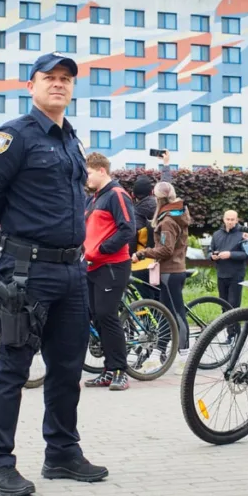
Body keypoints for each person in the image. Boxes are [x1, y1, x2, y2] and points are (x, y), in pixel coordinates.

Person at [0, 51, 107, 496]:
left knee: (67, 368)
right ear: (30, 85)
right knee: (12, 368)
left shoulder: (71, 140)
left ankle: (62, 453)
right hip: (26, 272)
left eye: (66, 78)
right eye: (49, 77)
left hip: (71, 271)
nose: (58, 84)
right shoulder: (14, 136)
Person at [83, 152, 136, 391]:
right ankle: (108, 369)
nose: (86, 177)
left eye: (89, 173)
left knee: (107, 315)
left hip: (113, 265)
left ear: (101, 170)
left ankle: (120, 371)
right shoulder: (94, 198)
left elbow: (128, 230)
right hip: (92, 266)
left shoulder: (116, 194)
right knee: (97, 317)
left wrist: (102, 249)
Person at [133, 181, 191, 364]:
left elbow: (166, 250)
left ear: (157, 198)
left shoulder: (167, 221)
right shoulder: (174, 213)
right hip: (170, 271)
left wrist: (143, 253)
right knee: (166, 313)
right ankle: (159, 352)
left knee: (177, 314)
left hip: (171, 272)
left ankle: (185, 355)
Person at [130, 174, 159, 301]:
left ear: (133, 194)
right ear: (152, 192)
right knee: (159, 301)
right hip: (160, 262)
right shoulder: (161, 207)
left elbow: (132, 236)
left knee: (144, 303)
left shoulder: (135, 212)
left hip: (140, 263)